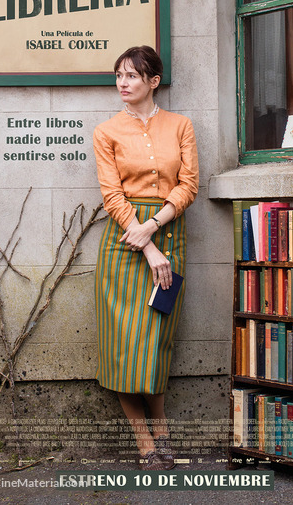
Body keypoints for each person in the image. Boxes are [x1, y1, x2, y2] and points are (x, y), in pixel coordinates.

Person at [92, 45, 199, 470]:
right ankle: (145, 444)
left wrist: (153, 226)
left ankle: (164, 432)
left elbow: (188, 184)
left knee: (154, 343)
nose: (123, 82)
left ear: (153, 81)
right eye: (119, 75)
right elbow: (111, 195)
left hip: (168, 233)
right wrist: (145, 241)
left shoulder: (181, 126)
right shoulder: (106, 132)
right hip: (123, 244)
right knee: (123, 345)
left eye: (132, 75)